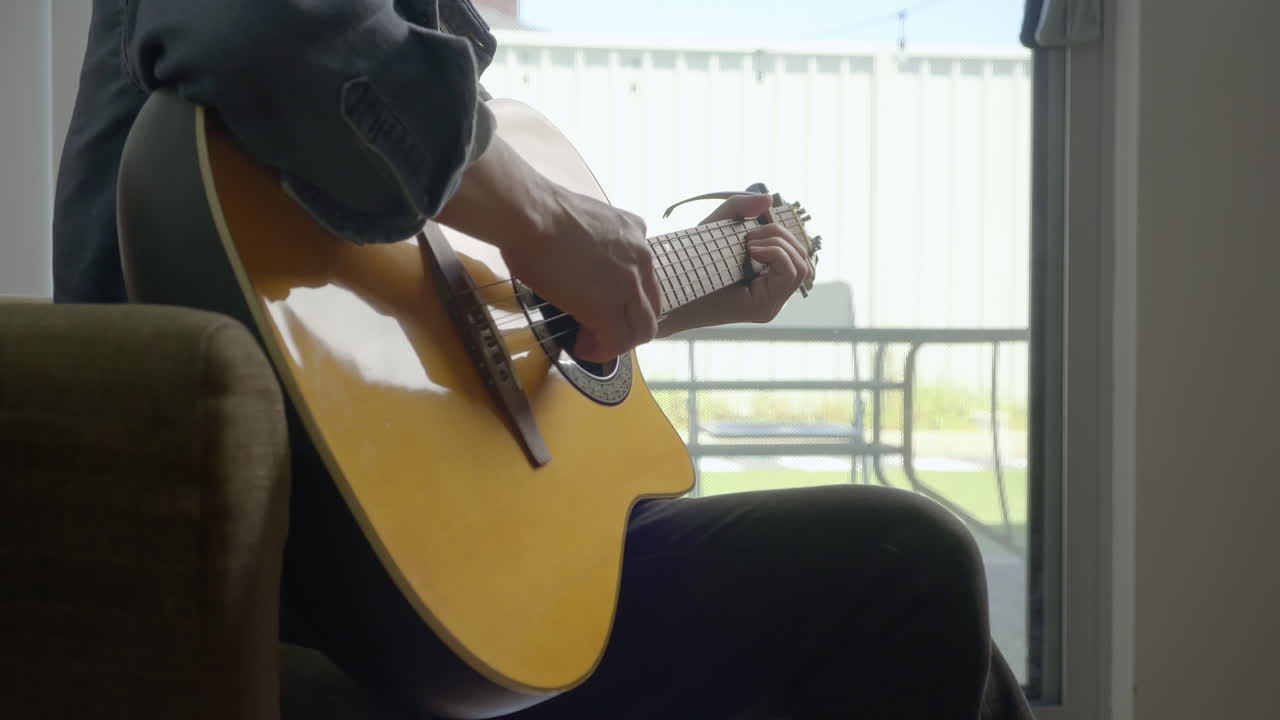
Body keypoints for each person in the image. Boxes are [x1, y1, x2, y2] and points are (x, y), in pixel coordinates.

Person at [53, 1, 1036, 718]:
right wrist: (542, 218)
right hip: (335, 579)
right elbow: (262, 29)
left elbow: (456, 327)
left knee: (959, 655)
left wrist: (654, 295)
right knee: (908, 571)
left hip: (442, 563)